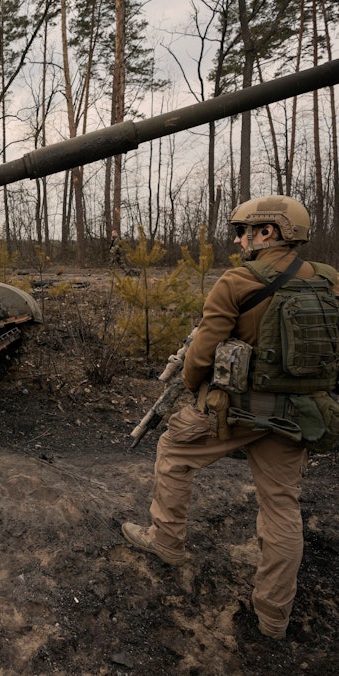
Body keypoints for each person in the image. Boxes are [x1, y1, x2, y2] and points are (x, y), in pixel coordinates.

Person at [121, 195, 339, 640]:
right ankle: (274, 615)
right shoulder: (329, 280)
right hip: (299, 415)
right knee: (281, 507)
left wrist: (192, 379)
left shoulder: (236, 281)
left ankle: (167, 542)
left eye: (244, 231)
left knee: (173, 451)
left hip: (234, 412)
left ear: (269, 232)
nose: (238, 240)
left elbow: (200, 355)